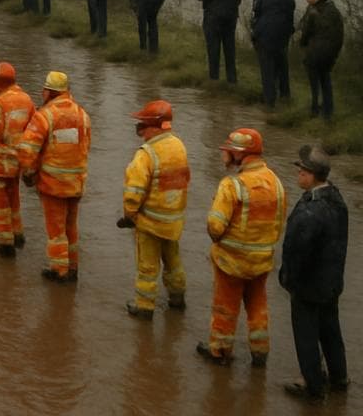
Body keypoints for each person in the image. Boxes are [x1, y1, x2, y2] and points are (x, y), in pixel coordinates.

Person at [198, 128, 285, 368]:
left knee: (225, 307)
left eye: (229, 151)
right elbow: (279, 223)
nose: (226, 155)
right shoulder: (276, 182)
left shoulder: (232, 185)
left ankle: (220, 351)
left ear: (239, 155)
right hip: (262, 261)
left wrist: (219, 241)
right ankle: (260, 353)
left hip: (232, 262)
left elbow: (215, 226)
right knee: (258, 306)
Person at [280, 145, 349, 400]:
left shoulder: (311, 209)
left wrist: (288, 279)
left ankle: (312, 386)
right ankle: (339, 378)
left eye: (301, 170)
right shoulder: (337, 199)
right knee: (331, 330)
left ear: (311, 175)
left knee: (307, 336)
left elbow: (296, 250)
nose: (298, 173)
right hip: (331, 282)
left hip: (308, 285)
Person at [17, 70, 91, 282]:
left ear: (49, 92)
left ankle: (59, 271)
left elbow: (26, 149)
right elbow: (86, 147)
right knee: (71, 228)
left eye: (44, 90)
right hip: (76, 183)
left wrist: (28, 172)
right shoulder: (82, 115)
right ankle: (73, 268)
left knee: (56, 229)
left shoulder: (45, 115)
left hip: (53, 184)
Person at [119, 100, 188, 319]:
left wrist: (130, 214)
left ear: (152, 126)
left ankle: (144, 306)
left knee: (147, 268)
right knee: (173, 262)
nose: (140, 130)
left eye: (143, 125)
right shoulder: (179, 146)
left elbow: (134, 191)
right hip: (173, 220)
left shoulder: (146, 154)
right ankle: (177, 298)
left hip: (149, 223)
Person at [0, 61, 34, 256]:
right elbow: (33, 130)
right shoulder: (27, 99)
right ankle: (18, 235)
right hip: (19, 160)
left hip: (0, 162)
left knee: (1, 203)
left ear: (0, 82)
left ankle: (6, 244)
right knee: (15, 199)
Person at [251, 0, 296, 107]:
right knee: (280, 67)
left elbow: (284, 11)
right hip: (277, 34)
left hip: (270, 35)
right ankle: (283, 97)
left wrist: (257, 33)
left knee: (269, 70)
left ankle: (270, 101)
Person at [298, 0, 344, 119]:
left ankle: (315, 110)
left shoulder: (318, 11)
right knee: (325, 80)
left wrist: (303, 43)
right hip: (327, 51)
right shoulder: (330, 8)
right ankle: (327, 112)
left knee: (316, 82)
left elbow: (308, 30)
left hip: (319, 51)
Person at [198, 0, 242, 83]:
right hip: (228, 17)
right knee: (226, 50)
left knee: (216, 50)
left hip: (215, 18)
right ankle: (229, 80)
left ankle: (216, 79)